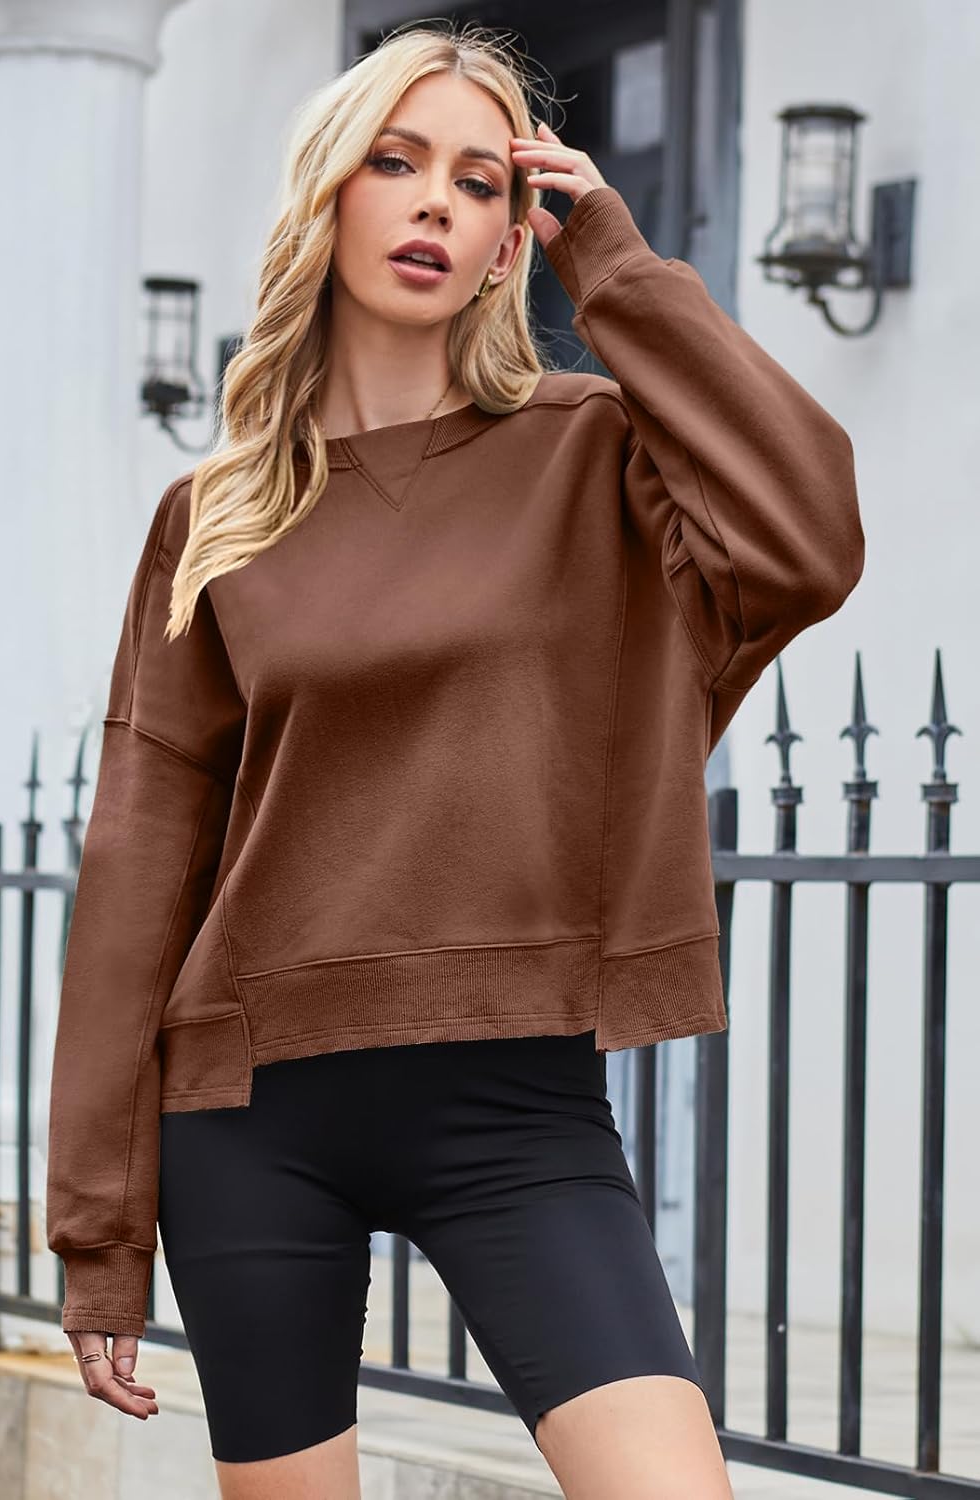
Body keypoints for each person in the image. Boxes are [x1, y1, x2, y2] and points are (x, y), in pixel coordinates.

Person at [45, 20, 864, 1500]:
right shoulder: (214, 515)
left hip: (516, 1105)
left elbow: (807, 539)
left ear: (505, 242)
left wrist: (611, 261)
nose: (434, 201)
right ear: (329, 196)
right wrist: (98, 1231)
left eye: (480, 181)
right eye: (395, 161)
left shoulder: (592, 451)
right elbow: (140, 858)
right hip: (252, 1119)